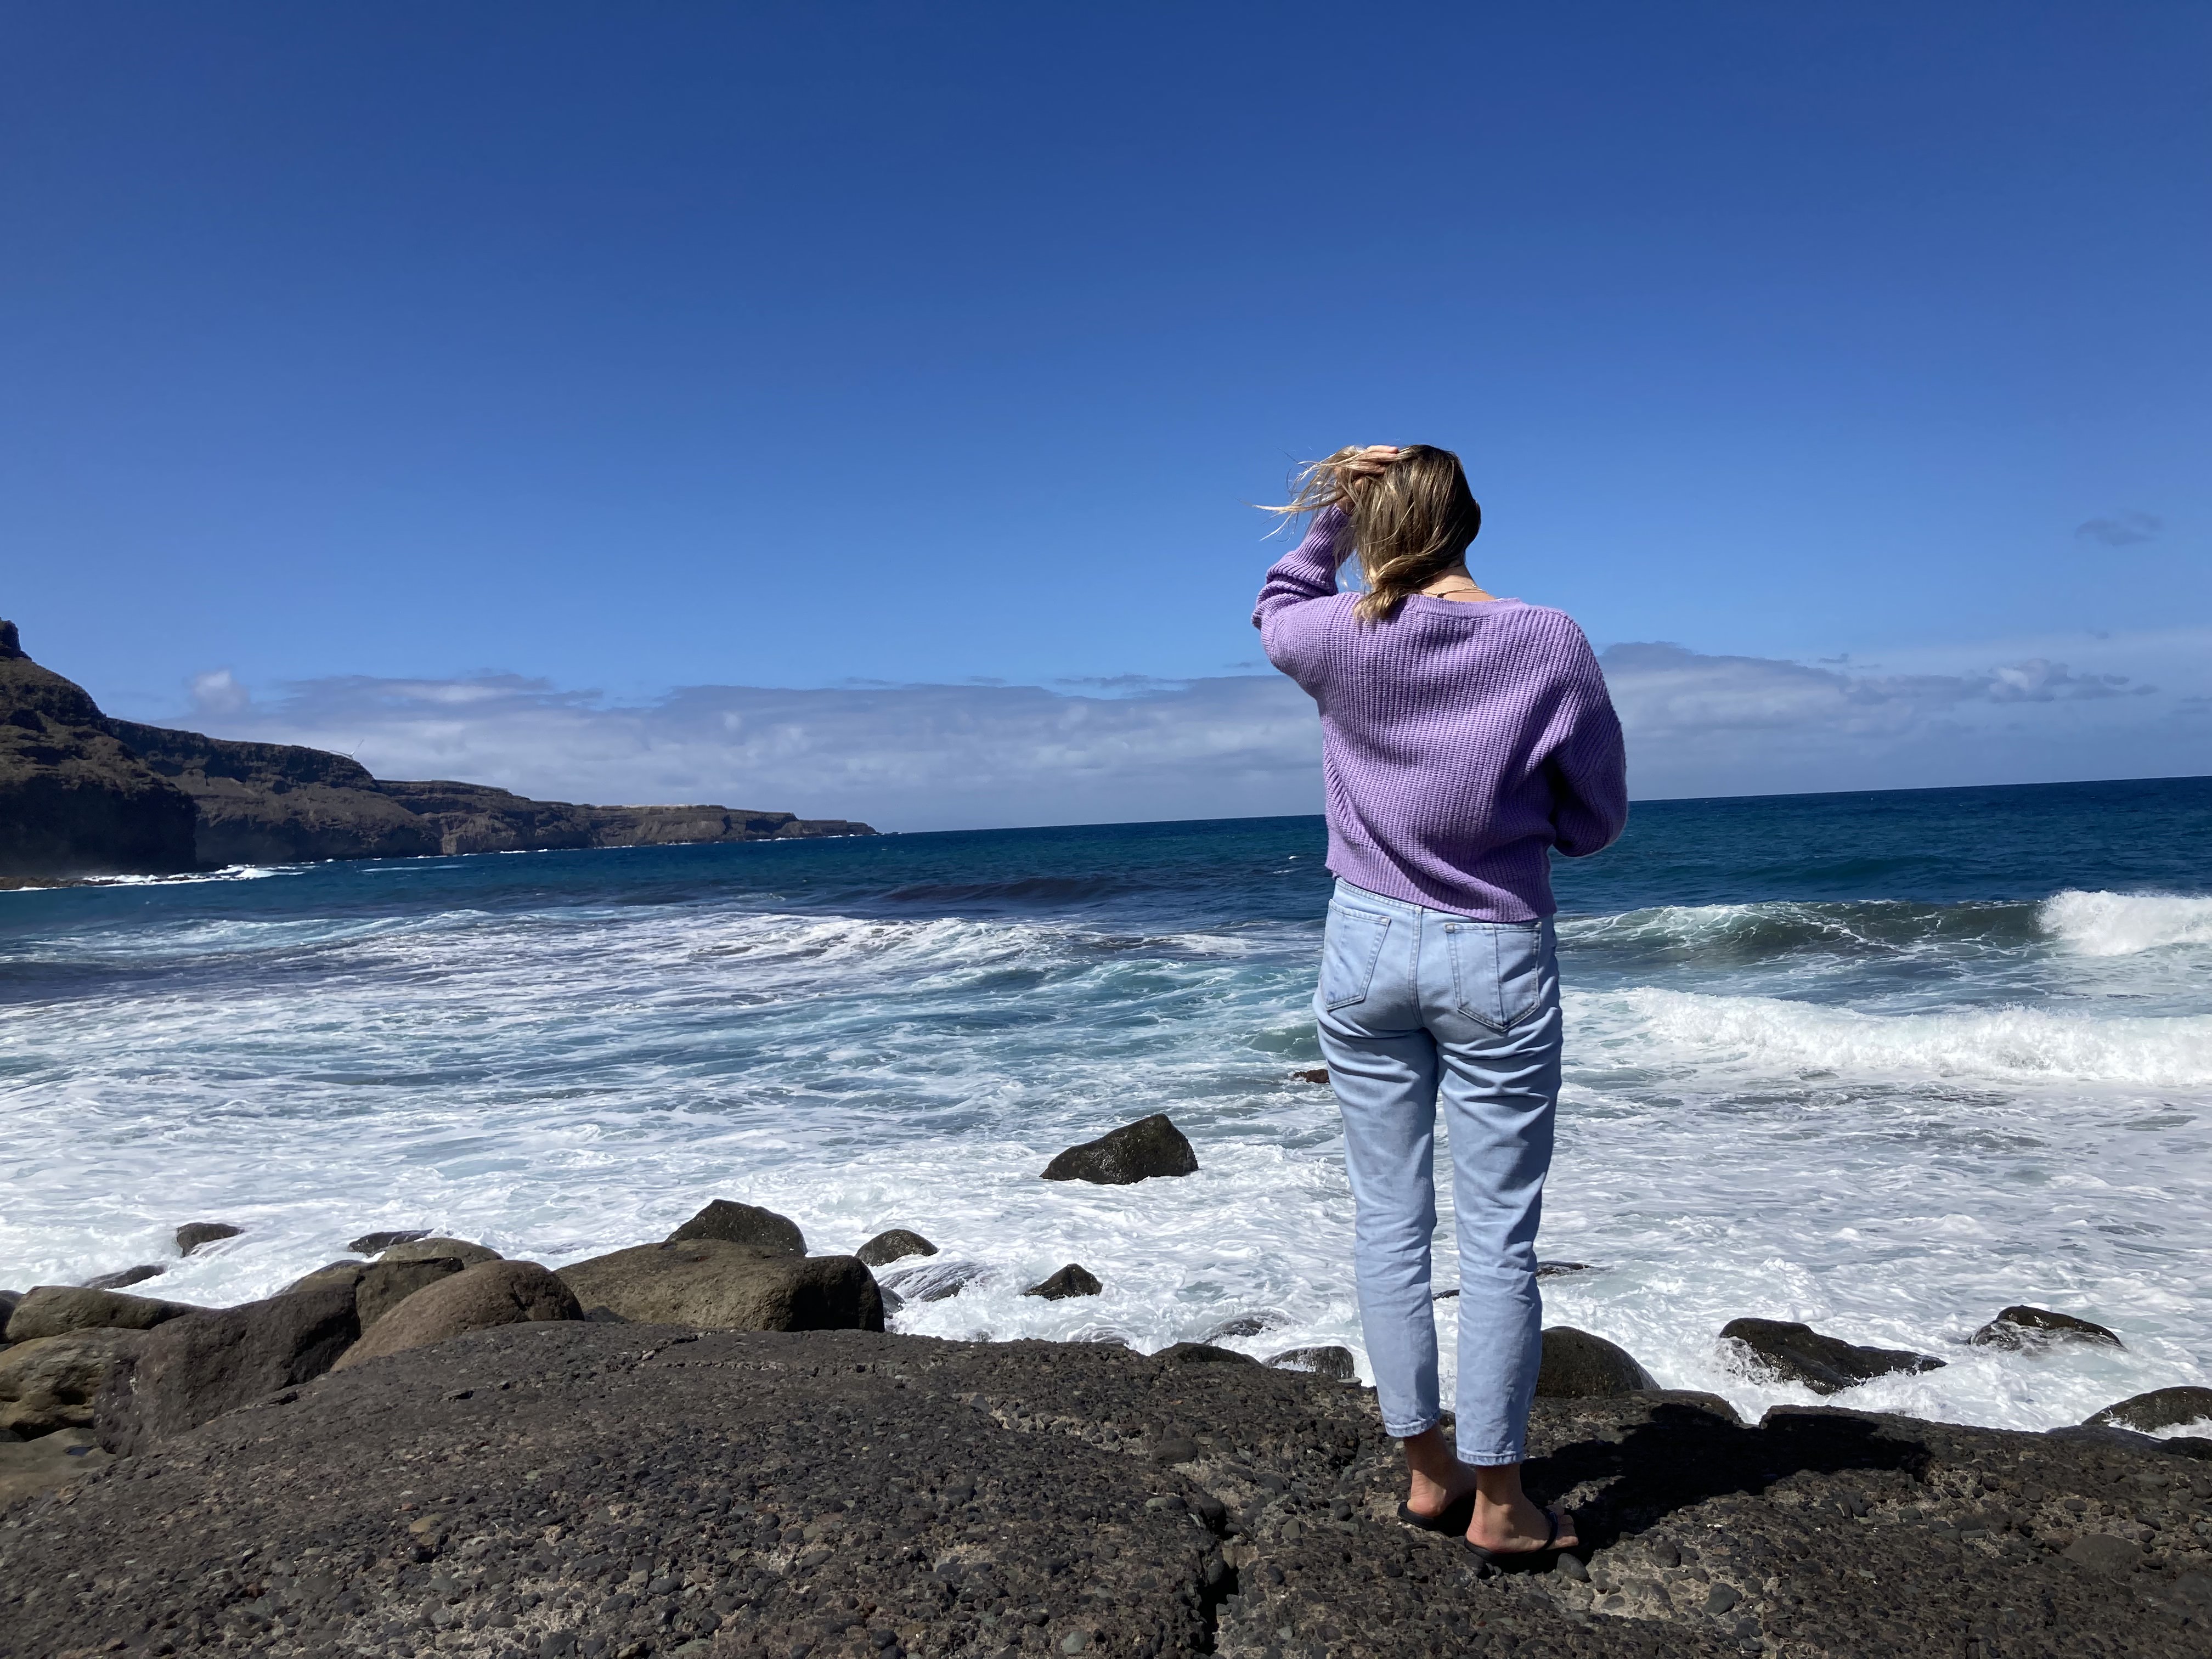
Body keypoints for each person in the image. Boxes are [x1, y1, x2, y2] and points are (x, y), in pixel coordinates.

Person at [1252, 444, 1627, 1569]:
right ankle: (1503, 1502)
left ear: (1374, 526)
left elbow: (1277, 605)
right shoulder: (1545, 639)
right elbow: (1597, 818)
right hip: (1495, 951)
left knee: (1388, 1220)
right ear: (1470, 522)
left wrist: (1330, 517)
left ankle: (1429, 1474)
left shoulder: (1341, 637)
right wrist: (1526, 830)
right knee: (1500, 1238)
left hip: (1364, 946)